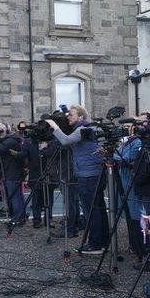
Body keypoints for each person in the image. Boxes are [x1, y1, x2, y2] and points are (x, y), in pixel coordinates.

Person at [45, 105, 108, 254]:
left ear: (81, 117)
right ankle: (102, 241)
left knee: (90, 210)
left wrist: (54, 126)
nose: (68, 117)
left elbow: (65, 141)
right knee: (98, 209)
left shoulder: (82, 130)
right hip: (94, 173)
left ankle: (95, 244)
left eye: (71, 114)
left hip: (87, 175)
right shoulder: (90, 129)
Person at [116, 112, 150, 271]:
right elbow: (120, 156)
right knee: (146, 223)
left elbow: (133, 162)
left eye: (142, 123)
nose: (137, 126)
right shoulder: (139, 141)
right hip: (141, 186)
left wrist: (136, 176)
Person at [0, 123, 27, 224]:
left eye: (0, 130)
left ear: (6, 131)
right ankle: (20, 216)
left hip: (13, 172)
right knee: (17, 196)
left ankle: (17, 218)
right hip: (11, 171)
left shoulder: (10, 141)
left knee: (15, 196)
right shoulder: (10, 139)